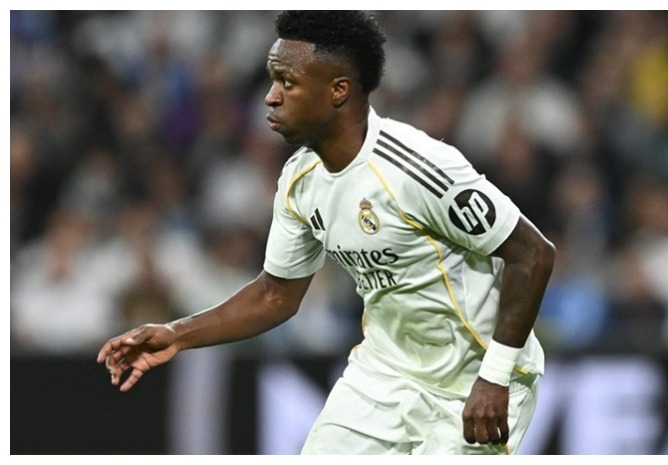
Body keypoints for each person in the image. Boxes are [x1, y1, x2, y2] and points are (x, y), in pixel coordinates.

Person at [97, 10, 556, 455]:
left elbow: (533, 254)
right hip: (384, 374)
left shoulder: (418, 168)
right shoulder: (300, 180)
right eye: (272, 80)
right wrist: (176, 334)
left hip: (476, 378)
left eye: (287, 82)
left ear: (338, 90)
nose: (270, 97)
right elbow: (275, 295)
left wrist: (495, 375)